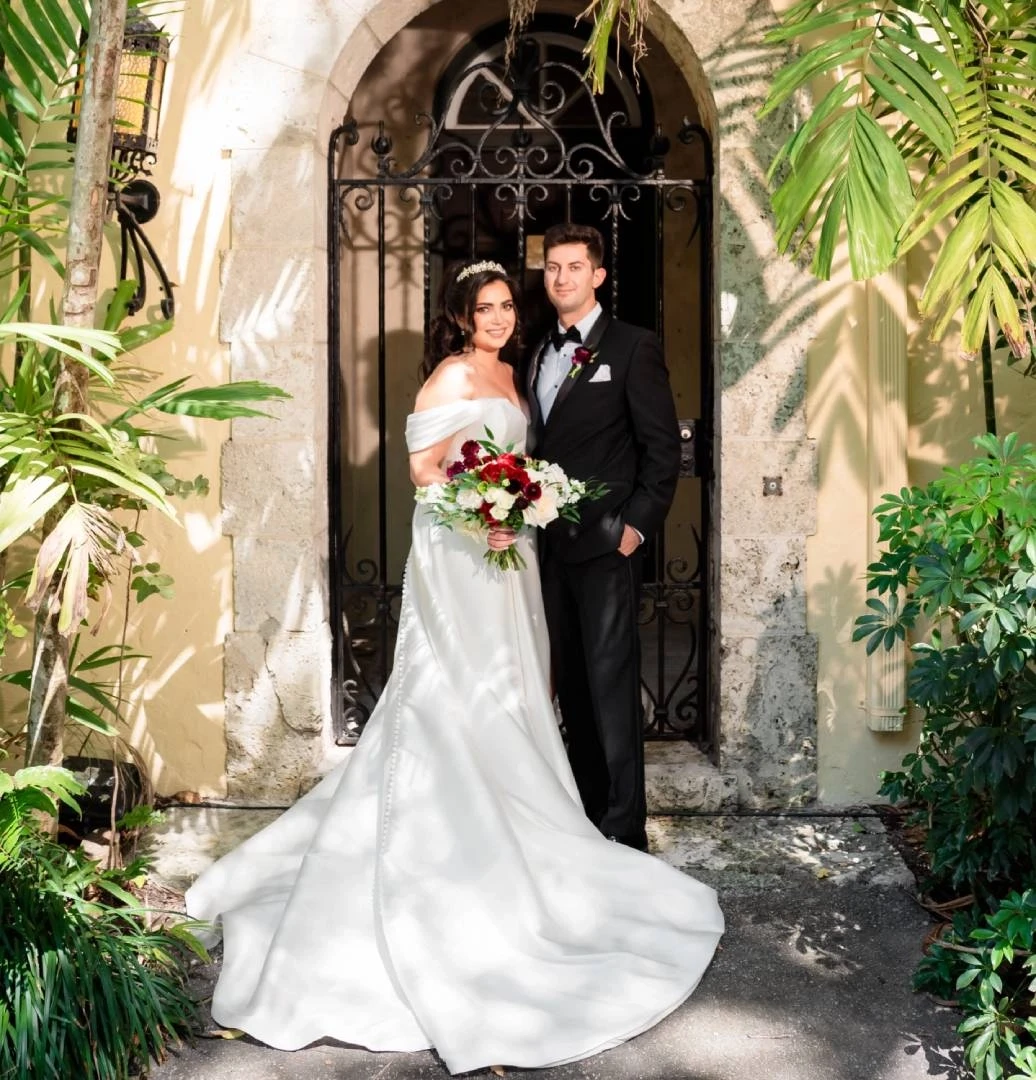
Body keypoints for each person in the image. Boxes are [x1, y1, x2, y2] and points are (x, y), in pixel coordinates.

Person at [185, 260, 722, 1076]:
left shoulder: (522, 369)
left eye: (509, 304)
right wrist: (483, 512)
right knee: (454, 688)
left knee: (517, 686)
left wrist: (520, 507)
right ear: (463, 315)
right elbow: (423, 471)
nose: (501, 317)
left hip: (516, 555)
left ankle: (555, 818)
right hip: (462, 553)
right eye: (487, 307)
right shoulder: (449, 374)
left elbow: (562, 453)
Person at [529, 222, 681, 852]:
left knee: (612, 687)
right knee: (575, 688)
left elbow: (662, 449)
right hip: (549, 549)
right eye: (552, 267)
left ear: (598, 275)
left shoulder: (633, 346)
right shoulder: (537, 352)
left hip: (607, 546)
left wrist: (634, 529)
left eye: (573, 266)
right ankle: (587, 819)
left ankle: (623, 831)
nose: (560, 277)